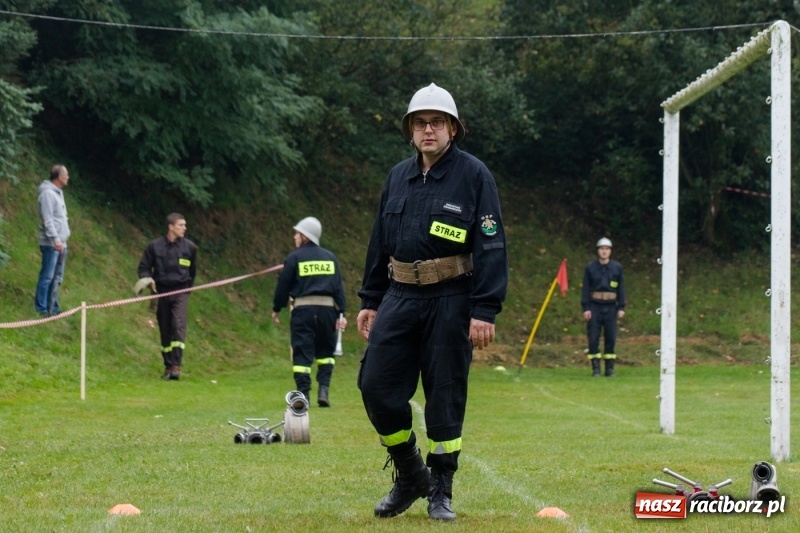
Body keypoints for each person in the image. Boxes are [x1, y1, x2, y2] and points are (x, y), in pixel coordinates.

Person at [356, 83, 508, 522]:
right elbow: (378, 242)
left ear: (453, 129)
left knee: (444, 396)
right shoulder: (397, 177)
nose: (428, 130)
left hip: (451, 298)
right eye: (420, 123)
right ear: (410, 130)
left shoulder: (475, 175)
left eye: (437, 123)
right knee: (376, 387)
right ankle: (410, 473)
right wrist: (370, 298)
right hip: (399, 296)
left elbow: (492, 244)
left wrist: (484, 309)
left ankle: (441, 489)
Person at [272, 216, 347, 407]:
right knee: (326, 352)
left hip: (303, 311)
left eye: (297, 233)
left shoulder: (294, 257)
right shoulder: (331, 257)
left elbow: (283, 286)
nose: (295, 237)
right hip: (328, 312)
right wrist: (342, 314)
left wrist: (277, 307)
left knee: (302, 352)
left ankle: (303, 395)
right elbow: (339, 288)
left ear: (305, 236)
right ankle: (323, 391)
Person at [138, 213, 197, 380]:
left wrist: (187, 290)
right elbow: (144, 268)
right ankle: (168, 366)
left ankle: (176, 366)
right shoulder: (154, 247)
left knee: (178, 325)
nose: (184, 228)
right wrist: (148, 280)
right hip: (161, 292)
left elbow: (192, 273)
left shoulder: (190, 248)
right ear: (171, 227)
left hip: (181, 293)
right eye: (181, 225)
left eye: (185, 225)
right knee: (165, 329)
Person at [581, 237, 626, 377]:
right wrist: (586, 308)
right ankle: (595, 368)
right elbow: (585, 289)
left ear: (610, 251)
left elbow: (621, 289)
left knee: (610, 337)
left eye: (607, 249)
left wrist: (621, 307)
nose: (604, 252)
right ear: (598, 251)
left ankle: (609, 368)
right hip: (595, 306)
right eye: (602, 249)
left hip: (611, 307)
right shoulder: (590, 268)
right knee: (593, 338)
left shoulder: (617, 268)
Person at [35, 164, 71, 316]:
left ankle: (53, 308)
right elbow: (47, 219)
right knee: (47, 276)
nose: (68, 177)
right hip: (51, 244)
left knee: (57, 278)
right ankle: (41, 309)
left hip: (61, 243)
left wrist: (62, 241)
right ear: (59, 176)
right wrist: (56, 239)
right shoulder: (47, 194)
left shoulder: (58, 193)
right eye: (66, 174)